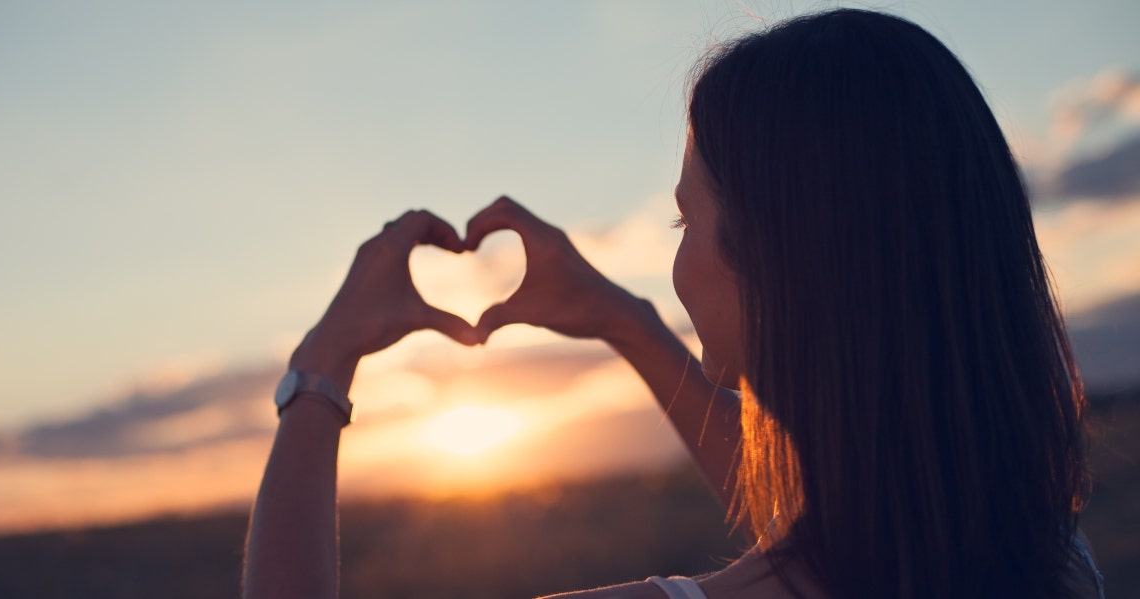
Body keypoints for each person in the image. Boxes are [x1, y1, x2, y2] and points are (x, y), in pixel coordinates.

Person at [242, 9, 1104, 599]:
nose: (676, 257)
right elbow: (850, 517)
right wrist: (624, 319)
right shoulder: (1053, 562)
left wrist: (323, 363)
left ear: (780, 257)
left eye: (686, 216)